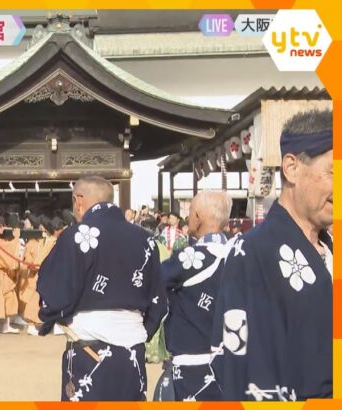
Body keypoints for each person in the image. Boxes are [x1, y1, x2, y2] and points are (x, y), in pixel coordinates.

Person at [211, 109, 333, 401]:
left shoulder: (331, 250)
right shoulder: (252, 253)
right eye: (334, 171)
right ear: (292, 168)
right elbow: (243, 368)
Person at [37, 176, 167, 401]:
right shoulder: (146, 240)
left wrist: (56, 315)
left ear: (79, 200)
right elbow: (158, 298)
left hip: (88, 346)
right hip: (132, 349)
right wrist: (140, 330)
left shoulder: (77, 235)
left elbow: (54, 291)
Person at [160, 191, 231, 401]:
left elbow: (153, 282)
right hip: (232, 363)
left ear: (198, 218)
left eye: (190, 211)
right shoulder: (241, 255)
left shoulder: (189, 258)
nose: (188, 216)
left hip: (192, 363)